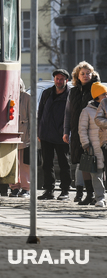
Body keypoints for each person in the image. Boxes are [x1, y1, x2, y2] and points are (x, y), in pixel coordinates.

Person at [64, 61, 100, 205]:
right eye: (82, 74)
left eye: (88, 73)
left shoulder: (97, 89)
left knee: (95, 163)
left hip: (94, 131)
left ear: (92, 74)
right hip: (77, 132)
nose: (85, 76)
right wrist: (66, 131)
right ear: (77, 76)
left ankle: (97, 194)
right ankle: (88, 194)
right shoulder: (73, 91)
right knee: (82, 162)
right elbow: (67, 113)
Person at [37, 69, 72, 200]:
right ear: (54, 80)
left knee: (64, 163)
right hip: (46, 134)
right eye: (57, 78)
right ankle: (48, 190)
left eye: (62, 79)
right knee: (47, 163)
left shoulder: (70, 94)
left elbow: (72, 115)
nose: (59, 81)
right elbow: (40, 113)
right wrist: (39, 131)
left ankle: (65, 190)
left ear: (66, 80)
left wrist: (68, 132)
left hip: (62, 134)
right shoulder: (47, 93)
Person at [77, 82, 107, 208]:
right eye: (104, 94)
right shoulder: (87, 111)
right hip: (94, 146)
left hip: (104, 143)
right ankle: (100, 197)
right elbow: (82, 129)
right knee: (97, 173)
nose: (106, 95)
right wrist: (85, 144)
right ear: (97, 97)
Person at [9, 78, 31, 198]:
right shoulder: (8, 96)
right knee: (12, 163)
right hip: (10, 135)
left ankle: (26, 188)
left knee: (24, 164)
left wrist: (32, 135)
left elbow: (32, 117)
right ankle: (14, 187)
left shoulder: (27, 97)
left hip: (24, 135)